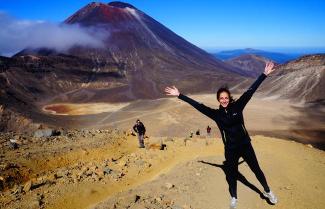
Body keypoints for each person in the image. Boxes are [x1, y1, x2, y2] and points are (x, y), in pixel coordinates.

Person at [165, 62, 278, 208]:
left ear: (229, 98)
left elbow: (250, 91)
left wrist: (264, 75)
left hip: (245, 145)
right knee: (231, 174)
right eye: (221, 98)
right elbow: (199, 106)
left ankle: (268, 191)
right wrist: (180, 95)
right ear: (218, 100)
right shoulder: (216, 115)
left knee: (256, 169)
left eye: (226, 98)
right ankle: (234, 197)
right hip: (230, 149)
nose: (224, 100)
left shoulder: (238, 106)